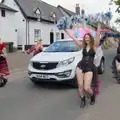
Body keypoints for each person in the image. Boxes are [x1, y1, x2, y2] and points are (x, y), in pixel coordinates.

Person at [65, 25, 101, 108]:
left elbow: (98, 35)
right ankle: (83, 99)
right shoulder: (83, 46)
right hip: (81, 66)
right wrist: (65, 30)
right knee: (80, 86)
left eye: (88, 37)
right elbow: (74, 38)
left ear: (91, 38)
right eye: (85, 38)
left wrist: (99, 25)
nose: (86, 39)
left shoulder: (94, 46)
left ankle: (92, 96)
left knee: (86, 88)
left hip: (90, 67)